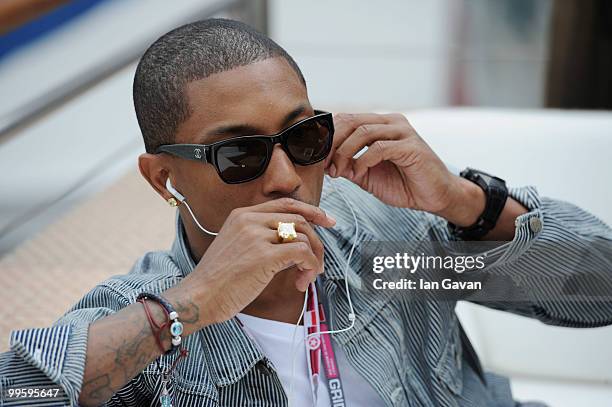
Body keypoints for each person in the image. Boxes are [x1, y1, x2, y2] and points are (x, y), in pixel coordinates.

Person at [1, 18, 611, 407]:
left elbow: (599, 288)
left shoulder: (389, 257)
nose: (286, 177)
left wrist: (463, 202)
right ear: (165, 179)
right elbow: (21, 392)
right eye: (239, 154)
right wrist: (193, 304)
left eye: (304, 137)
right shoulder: (155, 325)